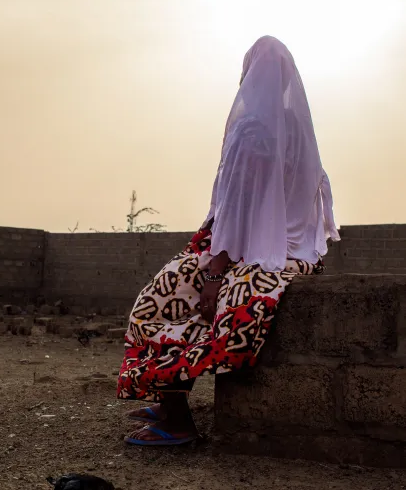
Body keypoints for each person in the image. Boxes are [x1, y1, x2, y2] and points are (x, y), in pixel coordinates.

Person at [117, 36, 340, 446]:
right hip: (296, 258)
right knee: (183, 302)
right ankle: (170, 403)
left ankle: (175, 418)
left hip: (241, 255)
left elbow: (234, 212)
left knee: (157, 305)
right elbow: (314, 203)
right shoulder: (296, 128)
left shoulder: (251, 130)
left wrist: (215, 275)